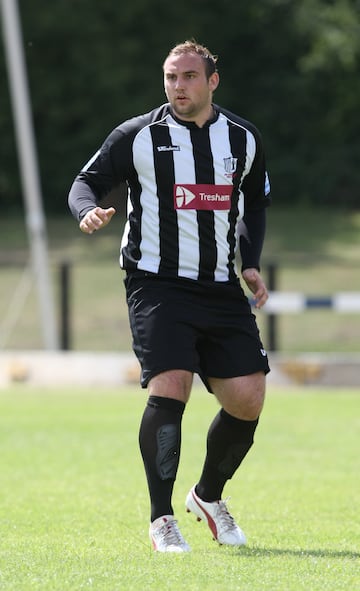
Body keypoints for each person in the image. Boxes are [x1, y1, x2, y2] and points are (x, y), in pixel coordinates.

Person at [68, 40, 271, 553]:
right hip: (156, 283)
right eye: (171, 77)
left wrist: (249, 261)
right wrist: (87, 211)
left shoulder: (243, 139)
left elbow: (255, 205)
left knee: (247, 400)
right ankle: (161, 519)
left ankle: (207, 496)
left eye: (188, 77)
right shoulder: (138, 136)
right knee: (172, 386)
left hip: (221, 286)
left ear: (211, 82)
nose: (178, 87)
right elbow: (85, 183)